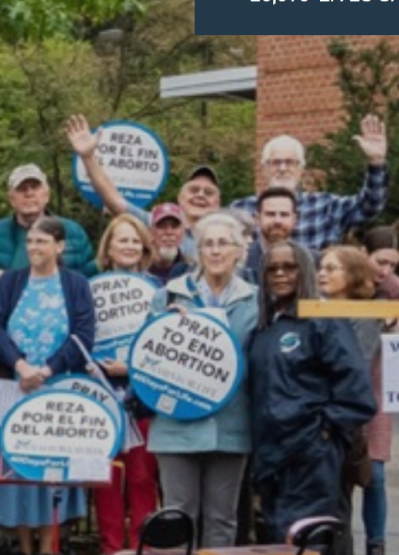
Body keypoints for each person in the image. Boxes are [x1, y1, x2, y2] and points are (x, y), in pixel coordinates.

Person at [0, 217, 95, 555]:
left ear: (59, 246)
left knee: (52, 470)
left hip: (57, 388)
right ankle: (24, 547)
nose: (33, 247)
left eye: (41, 241)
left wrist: (48, 368)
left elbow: (83, 334)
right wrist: (21, 365)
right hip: (15, 387)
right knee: (18, 466)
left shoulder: (76, 284)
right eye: (29, 241)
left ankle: (48, 547)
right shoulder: (10, 282)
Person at [248, 241, 375, 547]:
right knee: (279, 538)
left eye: (289, 267)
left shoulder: (323, 320)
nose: (280, 274)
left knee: (309, 537)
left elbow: (356, 389)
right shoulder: (264, 325)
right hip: (270, 453)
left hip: (310, 451)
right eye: (272, 268)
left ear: (305, 270)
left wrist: (324, 431)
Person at [151, 213, 260, 550]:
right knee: (177, 516)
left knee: (222, 519)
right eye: (207, 244)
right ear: (197, 251)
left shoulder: (256, 299)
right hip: (176, 425)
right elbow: (148, 359)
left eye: (223, 243)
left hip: (231, 424)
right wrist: (168, 330)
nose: (215, 251)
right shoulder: (169, 296)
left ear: (239, 250)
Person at [86, 214, 162, 555]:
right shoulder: (90, 288)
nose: (129, 246)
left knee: (143, 478)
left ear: (144, 248)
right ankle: (111, 548)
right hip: (101, 394)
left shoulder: (159, 291)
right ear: (109, 247)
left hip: (143, 397)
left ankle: (143, 547)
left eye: (135, 241)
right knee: (106, 479)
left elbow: (165, 345)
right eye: (123, 240)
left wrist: (131, 367)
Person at [65, 115, 221, 262]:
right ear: (180, 197)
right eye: (193, 190)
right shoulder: (152, 221)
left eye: (209, 192)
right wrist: (88, 157)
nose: (200, 195)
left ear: (218, 203)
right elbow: (115, 201)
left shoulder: (227, 236)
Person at [229, 117, 391, 252]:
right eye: (276, 162)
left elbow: (370, 206)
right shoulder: (241, 209)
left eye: (290, 162)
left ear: (301, 168)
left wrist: (376, 161)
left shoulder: (326, 206)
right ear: (264, 168)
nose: (283, 168)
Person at [322, 245, 391, 555]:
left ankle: (374, 544)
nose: (322, 274)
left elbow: (354, 365)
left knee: (364, 480)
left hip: (353, 414)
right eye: (321, 268)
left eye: (331, 268)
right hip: (328, 411)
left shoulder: (365, 316)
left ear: (352, 275)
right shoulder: (316, 308)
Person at [0, 164, 95, 283]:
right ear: (11, 199)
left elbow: (91, 276)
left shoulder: (73, 232)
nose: (29, 193)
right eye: (21, 189)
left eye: (35, 187)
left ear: (47, 195)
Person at [246, 187, 303, 283]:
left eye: (284, 214)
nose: (277, 221)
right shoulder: (242, 261)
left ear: (294, 220)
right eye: (270, 214)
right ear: (257, 219)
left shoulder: (313, 261)